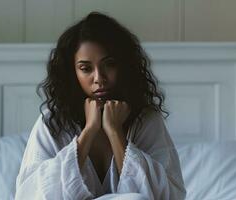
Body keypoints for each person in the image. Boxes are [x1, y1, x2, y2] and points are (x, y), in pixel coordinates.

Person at [15, 12, 186, 200]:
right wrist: (89, 131)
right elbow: (31, 194)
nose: (99, 78)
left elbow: (168, 196)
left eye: (109, 64)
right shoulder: (53, 122)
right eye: (86, 68)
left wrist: (115, 131)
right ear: (72, 73)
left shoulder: (146, 119)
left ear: (124, 65)